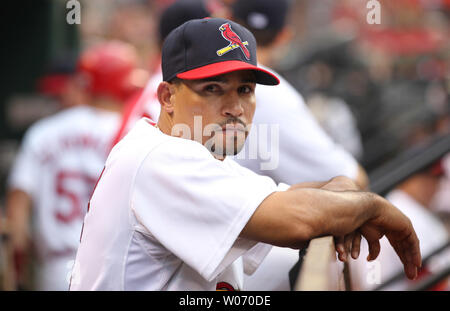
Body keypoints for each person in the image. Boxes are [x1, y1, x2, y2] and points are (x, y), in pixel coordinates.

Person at [69, 18, 421, 291]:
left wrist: (343, 193)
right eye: (212, 89)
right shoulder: (161, 157)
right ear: (167, 98)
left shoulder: (196, 156)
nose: (235, 107)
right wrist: (373, 207)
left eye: (245, 90)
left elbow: (298, 202)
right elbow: (300, 219)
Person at [5, 41, 143, 290]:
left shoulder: (43, 131)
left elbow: (17, 210)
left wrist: (19, 271)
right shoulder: (135, 134)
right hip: (112, 268)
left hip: (55, 269)